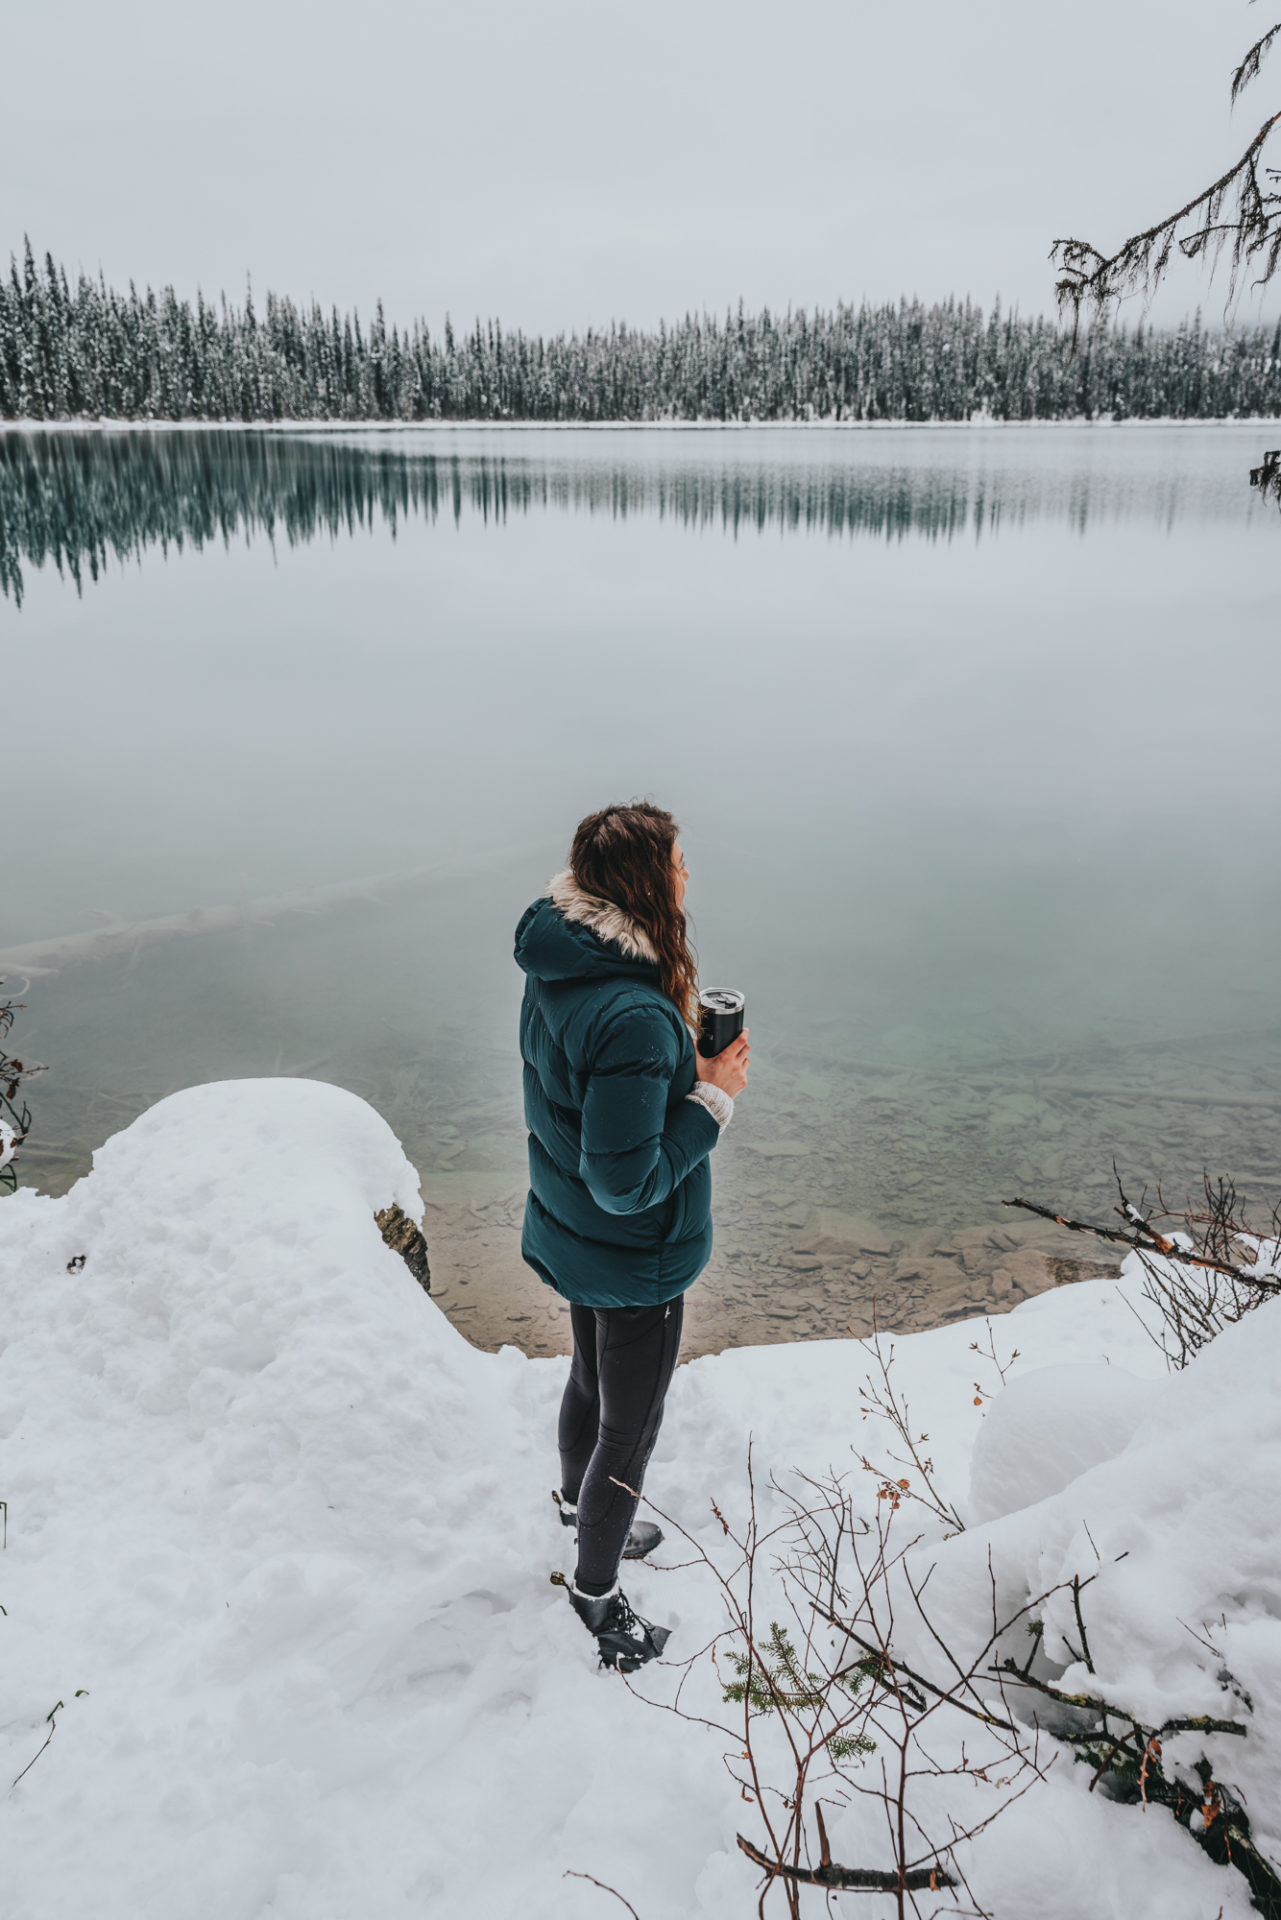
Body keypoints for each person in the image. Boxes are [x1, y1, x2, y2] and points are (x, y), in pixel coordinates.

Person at [514, 803, 750, 1671]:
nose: (689, 875)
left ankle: (583, 1515)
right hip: (632, 1253)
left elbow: (587, 1095)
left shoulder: (562, 962)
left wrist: (671, 1068)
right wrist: (712, 1100)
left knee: (588, 1376)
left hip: (574, 1234)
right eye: (680, 862)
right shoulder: (634, 1016)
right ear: (649, 881)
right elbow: (627, 1183)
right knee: (632, 1426)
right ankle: (597, 1596)